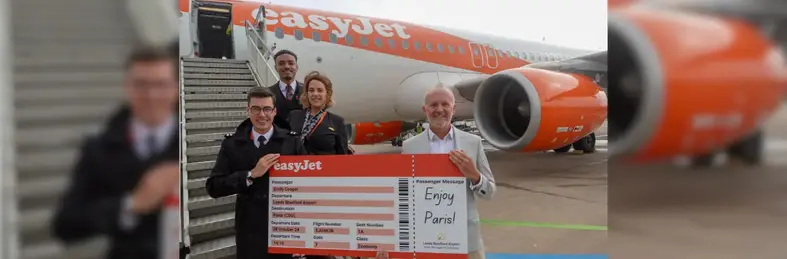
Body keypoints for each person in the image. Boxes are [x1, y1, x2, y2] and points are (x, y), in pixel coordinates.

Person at [51, 45, 180, 259]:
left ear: (175, 88)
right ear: (127, 87)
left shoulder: (196, 142)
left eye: (161, 85)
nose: (151, 95)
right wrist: (131, 204)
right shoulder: (99, 148)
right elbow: (65, 225)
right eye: (141, 85)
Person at [383, 85, 497, 259]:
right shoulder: (410, 146)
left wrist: (474, 176)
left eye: (445, 104)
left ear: (454, 108)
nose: (439, 109)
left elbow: (489, 193)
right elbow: (402, 194)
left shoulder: (472, 142)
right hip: (426, 237)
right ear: (425, 109)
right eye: (433, 105)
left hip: (466, 238)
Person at [205, 87, 307, 259]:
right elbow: (213, 187)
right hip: (249, 230)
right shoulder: (232, 144)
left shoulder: (292, 142)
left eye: (267, 109)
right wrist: (250, 175)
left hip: (285, 228)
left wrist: (304, 234)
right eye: (256, 109)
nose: (262, 115)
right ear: (248, 110)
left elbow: (308, 187)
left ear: (274, 111)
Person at [288, 71, 351, 155]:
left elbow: (342, 155)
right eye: (311, 90)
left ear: (327, 94)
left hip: (326, 167)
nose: (315, 94)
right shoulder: (294, 116)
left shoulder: (337, 121)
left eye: (320, 90)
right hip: (298, 166)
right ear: (307, 94)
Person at [268, 49, 303, 131]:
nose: (287, 67)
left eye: (291, 63)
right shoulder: (268, 93)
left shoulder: (308, 91)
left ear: (296, 67)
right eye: (281, 64)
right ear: (276, 68)